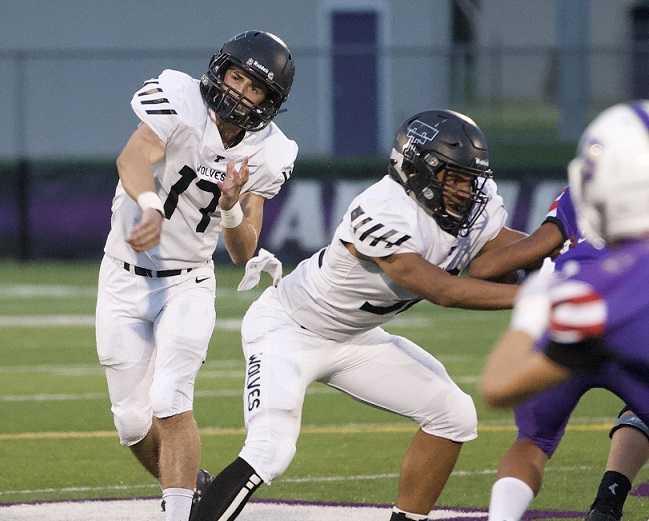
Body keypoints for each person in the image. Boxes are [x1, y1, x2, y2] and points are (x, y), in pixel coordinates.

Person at [191, 109, 522, 521]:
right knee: (269, 450)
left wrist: (567, 248)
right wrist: (537, 297)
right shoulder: (381, 209)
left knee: (453, 414)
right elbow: (443, 290)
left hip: (355, 338)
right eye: (452, 177)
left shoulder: (468, 208)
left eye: (469, 179)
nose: (464, 190)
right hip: (289, 331)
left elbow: (506, 249)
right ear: (418, 170)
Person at [95, 30, 297, 521]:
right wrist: (148, 207)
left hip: (187, 280)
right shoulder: (179, 96)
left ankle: (180, 513)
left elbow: (242, 249)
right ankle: (196, 484)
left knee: (170, 397)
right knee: (130, 421)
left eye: (254, 88)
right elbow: (133, 157)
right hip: (122, 276)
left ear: (269, 102)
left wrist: (231, 208)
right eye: (236, 77)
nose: (239, 92)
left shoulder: (271, 152)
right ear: (220, 70)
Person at [480, 101, 649, 521]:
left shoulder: (583, 292)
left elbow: (499, 386)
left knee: (531, 442)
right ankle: (607, 504)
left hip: (574, 316)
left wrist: (534, 306)